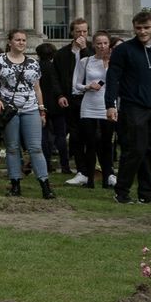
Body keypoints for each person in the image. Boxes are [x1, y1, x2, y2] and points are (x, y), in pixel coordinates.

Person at [106, 10, 151, 205]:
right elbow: (113, 78)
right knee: (135, 149)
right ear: (134, 28)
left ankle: (147, 193)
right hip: (133, 106)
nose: (142, 32)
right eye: (138, 28)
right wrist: (110, 104)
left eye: (146, 28)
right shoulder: (124, 50)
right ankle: (122, 192)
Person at [0, 29, 55, 199]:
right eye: (17, 40)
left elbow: (37, 88)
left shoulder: (33, 62)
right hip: (10, 110)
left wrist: (41, 109)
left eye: (24, 40)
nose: (21, 43)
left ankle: (45, 185)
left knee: (35, 148)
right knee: (12, 148)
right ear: (10, 42)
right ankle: (15, 183)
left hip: (30, 108)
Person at [73, 31, 115, 190]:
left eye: (105, 43)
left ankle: (106, 178)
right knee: (89, 143)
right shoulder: (86, 61)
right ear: (94, 45)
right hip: (88, 105)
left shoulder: (113, 62)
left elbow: (115, 81)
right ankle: (89, 178)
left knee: (106, 144)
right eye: (99, 43)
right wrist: (87, 86)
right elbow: (76, 84)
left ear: (109, 44)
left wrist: (106, 67)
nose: (102, 46)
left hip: (107, 105)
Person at [55, 18, 95, 186]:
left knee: (93, 136)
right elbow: (55, 77)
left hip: (91, 99)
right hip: (72, 99)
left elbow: (92, 69)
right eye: (78, 31)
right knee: (76, 137)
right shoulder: (63, 53)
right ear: (72, 32)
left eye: (85, 32)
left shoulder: (93, 51)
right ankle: (81, 171)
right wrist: (59, 95)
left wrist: (84, 49)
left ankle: (95, 170)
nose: (82, 35)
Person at [35, 42, 71, 175]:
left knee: (44, 136)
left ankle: (47, 163)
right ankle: (65, 165)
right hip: (57, 103)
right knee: (60, 136)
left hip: (41, 104)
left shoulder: (37, 67)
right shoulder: (56, 67)